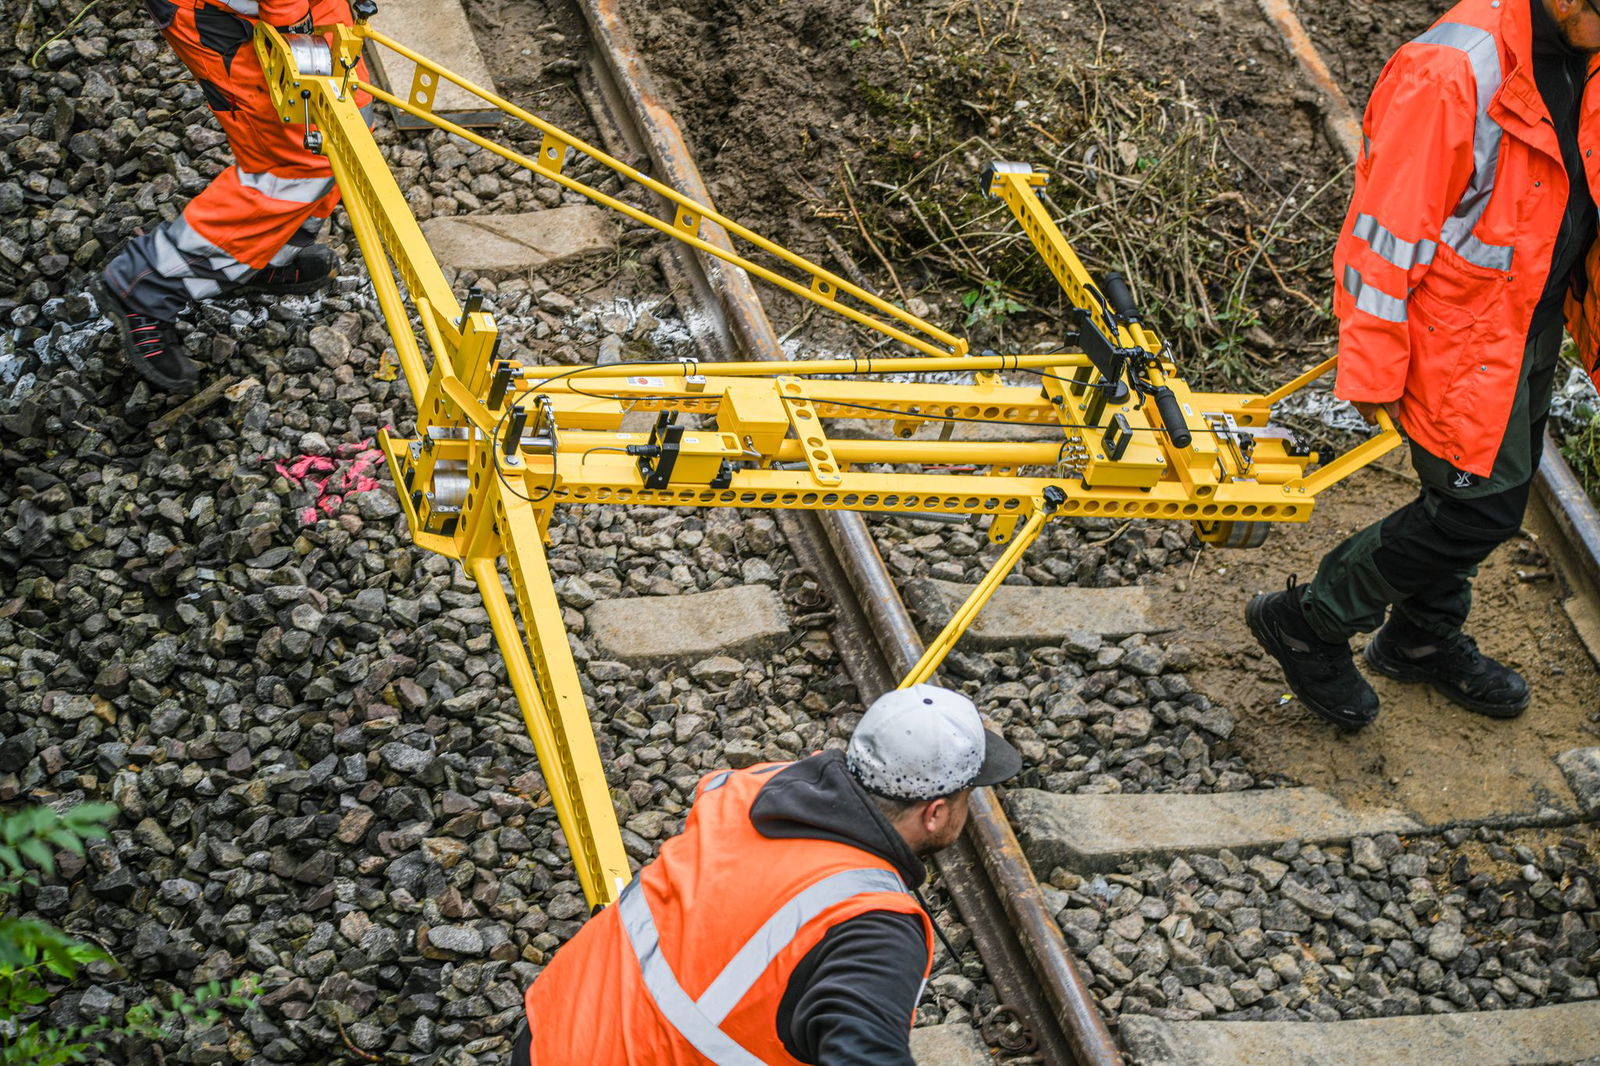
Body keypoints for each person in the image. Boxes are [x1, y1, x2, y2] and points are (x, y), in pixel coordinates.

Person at [1249, 0, 1600, 729]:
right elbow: (1384, 234)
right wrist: (1374, 364)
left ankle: (1419, 637)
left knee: (1486, 484)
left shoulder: (1579, 51)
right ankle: (1308, 618)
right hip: (1458, 339)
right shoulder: (1450, 72)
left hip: (1528, 320)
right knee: (1477, 512)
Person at [508, 683, 1022, 1066]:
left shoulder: (753, 787)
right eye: (966, 795)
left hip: (552, 1030)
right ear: (933, 812)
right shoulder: (872, 923)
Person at [94, 0, 372, 394]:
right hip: (233, 13)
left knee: (346, 124)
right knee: (294, 163)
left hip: (296, 10)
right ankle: (146, 285)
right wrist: (292, 30)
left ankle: (259, 256)